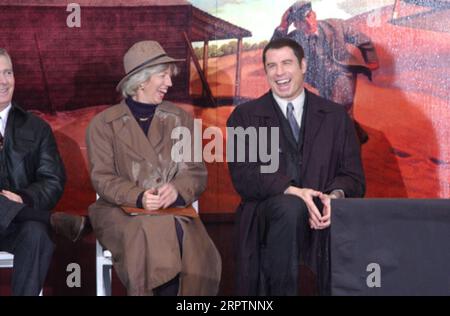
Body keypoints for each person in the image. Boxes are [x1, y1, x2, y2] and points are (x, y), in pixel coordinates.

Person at [227, 38, 365, 295]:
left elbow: (353, 177)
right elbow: (243, 175)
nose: (279, 72)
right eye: (271, 66)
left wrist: (334, 197)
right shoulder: (243, 117)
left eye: (286, 63)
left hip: (325, 222)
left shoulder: (336, 117)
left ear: (303, 65)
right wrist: (293, 191)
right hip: (266, 221)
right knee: (290, 207)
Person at [86, 40, 221, 296]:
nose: (169, 83)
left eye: (168, 76)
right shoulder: (103, 125)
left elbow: (195, 171)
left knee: (182, 241)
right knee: (153, 235)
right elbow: (102, 178)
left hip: (173, 211)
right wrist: (138, 196)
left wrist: (177, 190)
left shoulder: (180, 119)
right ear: (141, 80)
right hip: (119, 212)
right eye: (162, 76)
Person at [0, 48, 87, 296]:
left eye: (8, 72)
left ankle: (36, 219)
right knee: (41, 223)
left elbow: (52, 180)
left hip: (18, 227)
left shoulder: (36, 128)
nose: (4, 81)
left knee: (37, 234)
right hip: (27, 215)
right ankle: (49, 219)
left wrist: (24, 198)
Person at [272, 1, 379, 143]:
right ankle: (357, 136)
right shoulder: (295, 38)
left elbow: (363, 40)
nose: (309, 23)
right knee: (342, 114)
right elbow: (273, 53)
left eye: (309, 17)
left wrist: (371, 60)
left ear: (314, 14)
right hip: (320, 80)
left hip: (343, 74)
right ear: (296, 24)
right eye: (302, 22)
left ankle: (340, 151)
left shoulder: (336, 26)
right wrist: (283, 26)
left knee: (334, 112)